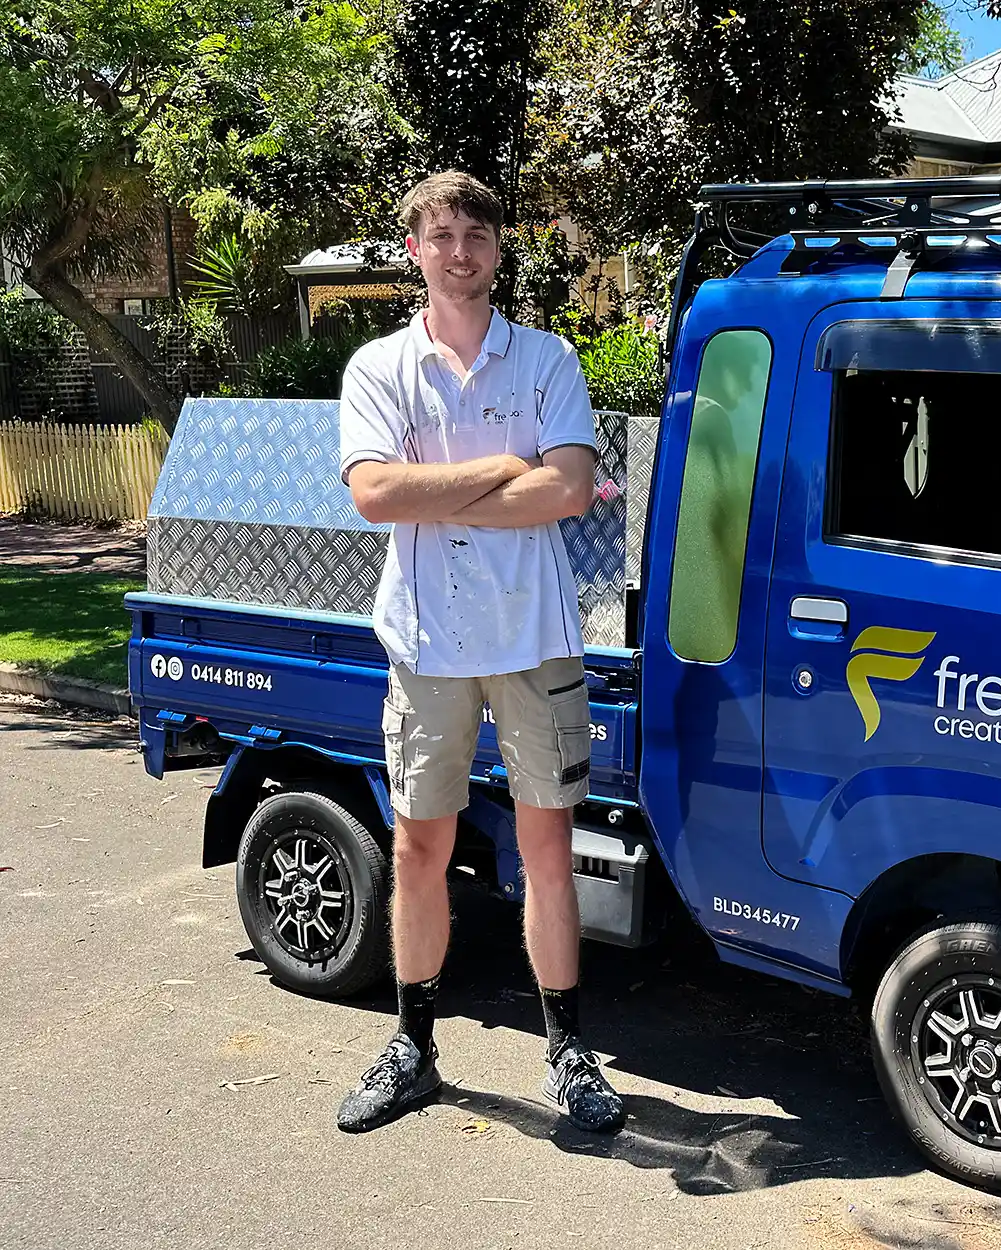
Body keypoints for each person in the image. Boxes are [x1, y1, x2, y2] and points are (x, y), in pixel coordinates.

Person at [334, 169, 623, 1135]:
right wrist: (505, 468)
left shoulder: (546, 358)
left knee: (547, 849)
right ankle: (413, 1047)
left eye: (478, 236)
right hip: (426, 642)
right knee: (420, 847)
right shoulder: (379, 367)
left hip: (536, 637)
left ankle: (568, 1054)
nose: (460, 253)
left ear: (499, 249)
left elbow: (570, 490)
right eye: (443, 236)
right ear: (414, 250)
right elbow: (373, 495)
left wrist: (435, 488)